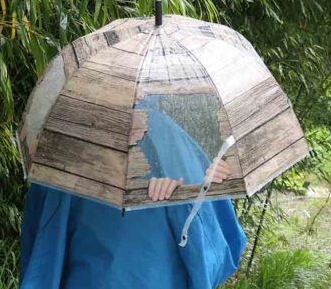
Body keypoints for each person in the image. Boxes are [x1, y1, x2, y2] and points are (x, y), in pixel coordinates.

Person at [19, 102, 246, 288]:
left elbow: (219, 241)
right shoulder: (67, 150)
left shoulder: (168, 138)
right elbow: (43, 243)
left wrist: (182, 198)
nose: (135, 129)